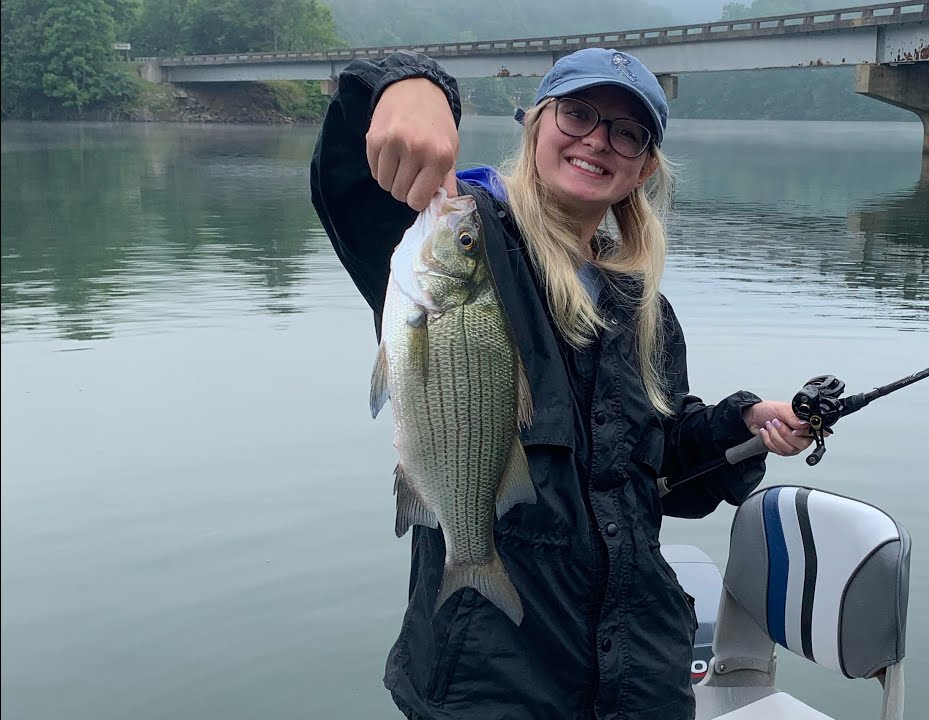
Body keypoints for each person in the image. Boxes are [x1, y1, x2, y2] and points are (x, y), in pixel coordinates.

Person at [310, 47, 817, 720]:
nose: (597, 140)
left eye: (626, 131)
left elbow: (660, 478)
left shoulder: (644, 312)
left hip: (642, 681)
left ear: (642, 167)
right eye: (577, 113)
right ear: (535, 124)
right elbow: (351, 179)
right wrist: (407, 84)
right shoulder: (465, 235)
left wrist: (741, 428)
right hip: (495, 685)